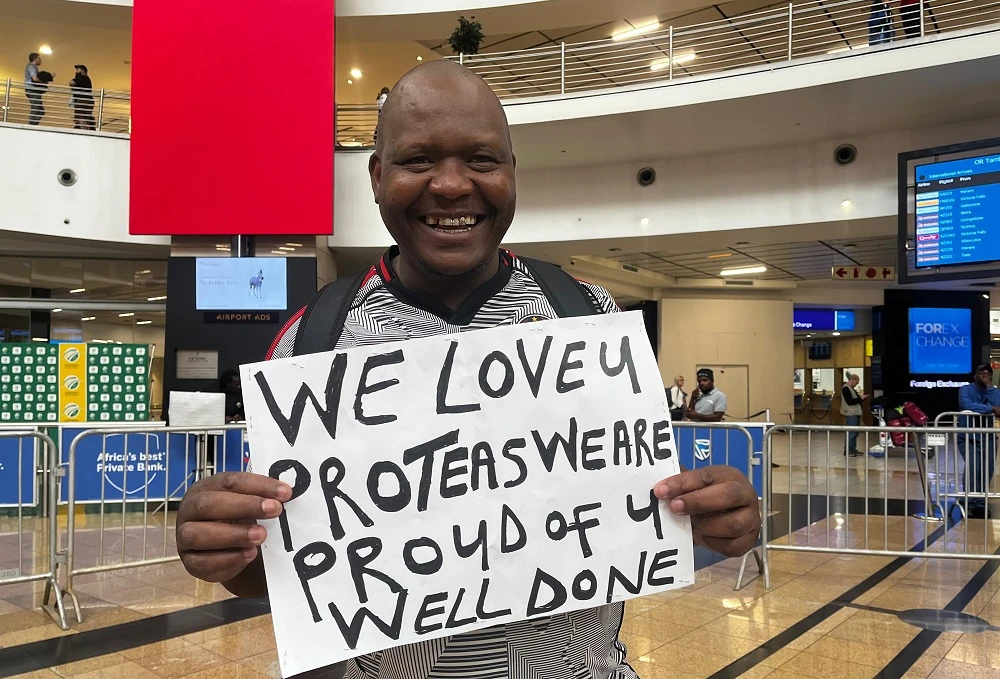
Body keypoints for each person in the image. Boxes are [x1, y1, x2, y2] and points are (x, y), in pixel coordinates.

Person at [174, 60, 761, 679]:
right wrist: (224, 548)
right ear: (377, 175)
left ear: (512, 171)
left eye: (481, 159)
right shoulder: (310, 342)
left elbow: (638, 509)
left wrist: (713, 518)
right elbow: (288, 564)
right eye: (417, 159)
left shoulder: (588, 315)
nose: (452, 185)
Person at [957, 364, 1000, 519]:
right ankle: (969, 502)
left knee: (987, 470)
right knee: (973, 469)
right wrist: (990, 409)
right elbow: (966, 405)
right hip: (969, 436)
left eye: (988, 373)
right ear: (975, 375)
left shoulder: (994, 391)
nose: (985, 375)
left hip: (988, 437)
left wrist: (989, 387)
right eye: (982, 373)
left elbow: (999, 406)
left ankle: (980, 503)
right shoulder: (965, 389)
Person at [841, 373, 868, 456]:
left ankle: (853, 449)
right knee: (851, 432)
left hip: (855, 412)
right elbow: (850, 401)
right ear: (852, 380)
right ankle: (848, 450)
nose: (857, 383)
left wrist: (861, 398)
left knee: (855, 433)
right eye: (857, 381)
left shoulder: (851, 389)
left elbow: (856, 399)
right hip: (851, 413)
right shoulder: (846, 389)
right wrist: (860, 399)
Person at [24, 52, 48, 125]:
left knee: (40, 110)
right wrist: (43, 82)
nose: (40, 60)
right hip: (32, 89)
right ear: (35, 59)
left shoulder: (33, 67)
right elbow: (34, 79)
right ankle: (31, 125)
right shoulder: (31, 66)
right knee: (36, 108)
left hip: (33, 90)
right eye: (39, 58)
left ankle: (33, 124)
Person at [69, 64, 95, 130]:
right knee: (85, 117)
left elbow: (72, 83)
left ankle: (84, 130)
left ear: (82, 71)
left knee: (81, 116)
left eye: (78, 69)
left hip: (82, 101)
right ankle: (87, 129)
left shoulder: (82, 77)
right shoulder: (86, 79)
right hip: (88, 101)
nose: (76, 71)